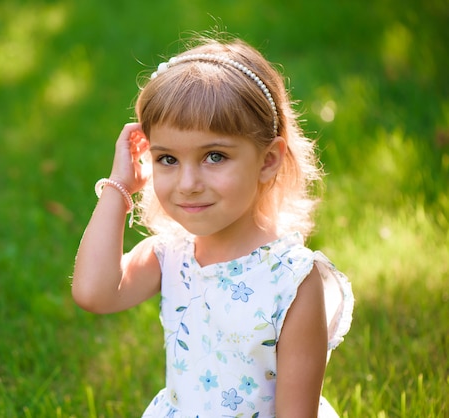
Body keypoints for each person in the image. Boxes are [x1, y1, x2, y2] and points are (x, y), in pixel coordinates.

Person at [72, 35, 354, 417]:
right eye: (168, 159)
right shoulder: (170, 253)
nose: (188, 183)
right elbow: (94, 292)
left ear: (268, 160)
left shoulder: (292, 281)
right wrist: (119, 187)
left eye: (214, 156)